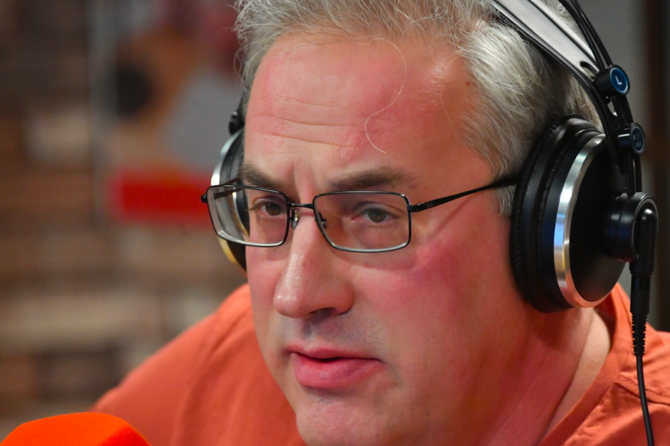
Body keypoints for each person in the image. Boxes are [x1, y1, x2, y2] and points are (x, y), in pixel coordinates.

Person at [92, 0, 670, 445]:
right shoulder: (222, 371)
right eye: (271, 206)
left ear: (551, 228)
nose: (296, 296)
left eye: (374, 214)